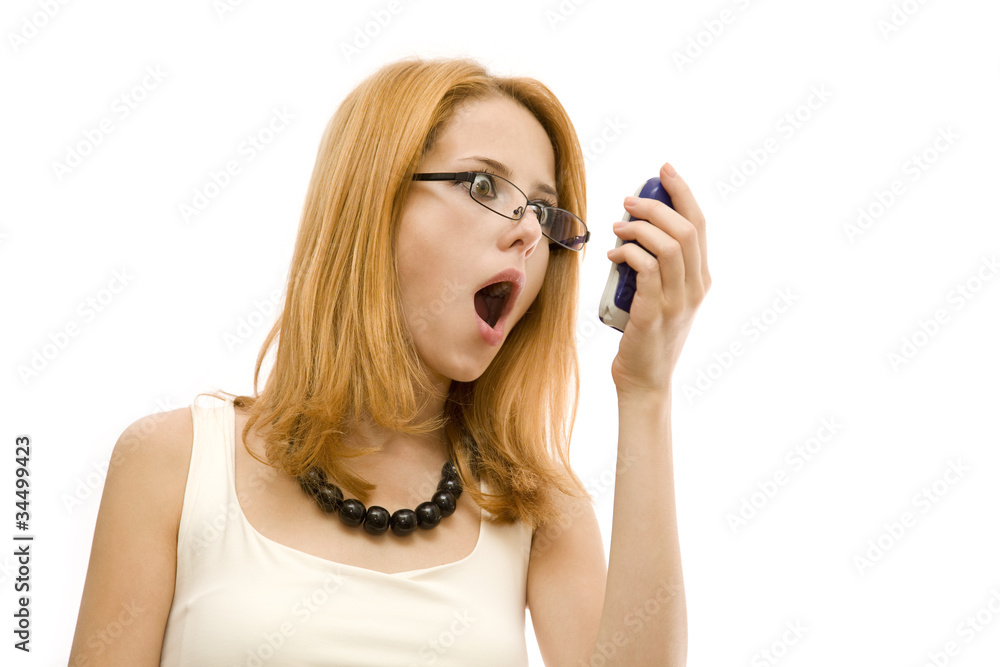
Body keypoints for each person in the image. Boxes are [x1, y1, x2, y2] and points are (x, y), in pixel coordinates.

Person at [69, 57, 709, 666]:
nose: (528, 232)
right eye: (484, 184)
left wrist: (647, 390)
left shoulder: (535, 509)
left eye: (543, 211)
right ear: (373, 202)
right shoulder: (171, 463)